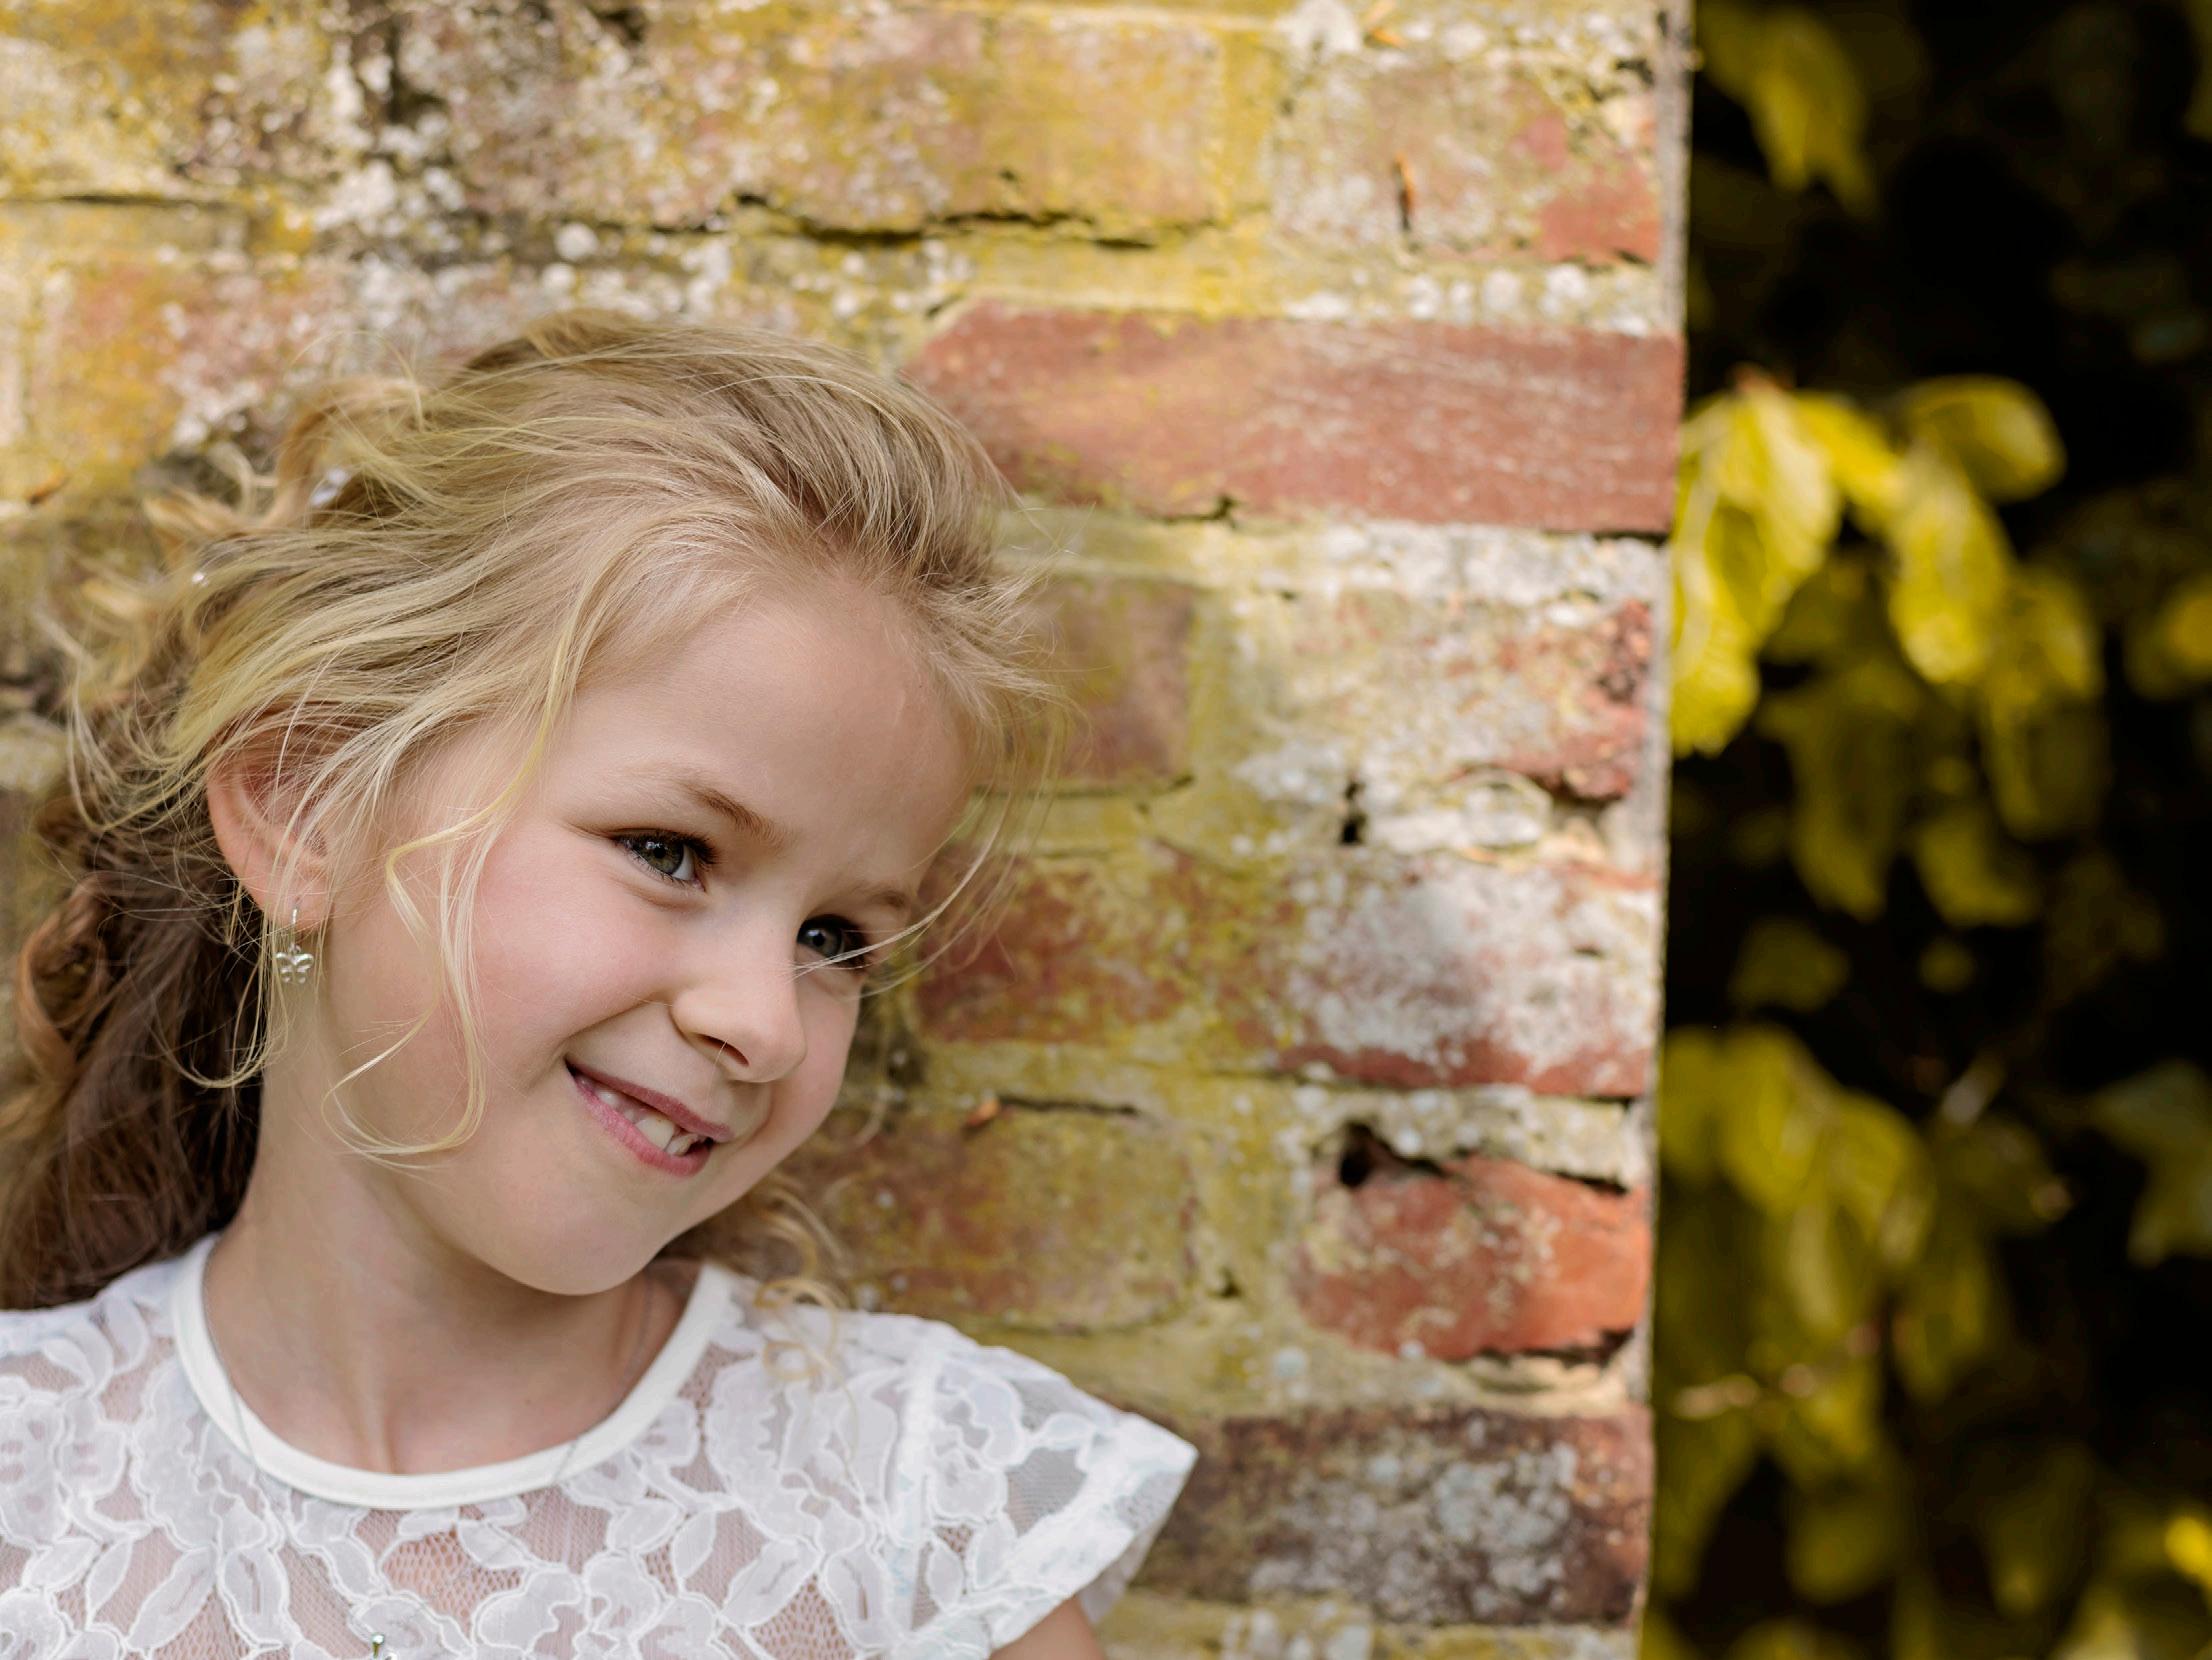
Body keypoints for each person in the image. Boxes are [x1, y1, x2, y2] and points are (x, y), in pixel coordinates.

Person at [0, 308, 1197, 1657]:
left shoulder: (924, 1518)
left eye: (834, 940)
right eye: (667, 852)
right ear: (307, 806)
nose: (760, 1022)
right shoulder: (28, 1496)